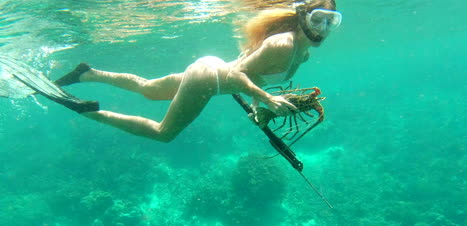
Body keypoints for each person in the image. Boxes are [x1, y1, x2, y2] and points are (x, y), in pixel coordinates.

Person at [52, 0, 342, 143]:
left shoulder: (301, 53)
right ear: (303, 16)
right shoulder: (283, 44)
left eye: (332, 21)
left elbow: (253, 75)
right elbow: (240, 73)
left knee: (150, 90)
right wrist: (265, 98)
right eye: (318, 19)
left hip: (209, 70)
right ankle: (85, 110)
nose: (324, 29)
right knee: (164, 133)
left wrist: (257, 105)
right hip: (209, 80)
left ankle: (87, 74)